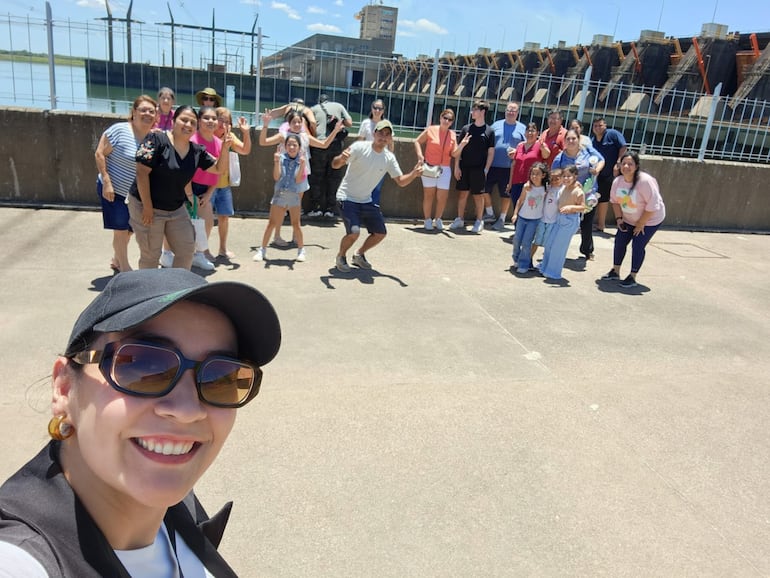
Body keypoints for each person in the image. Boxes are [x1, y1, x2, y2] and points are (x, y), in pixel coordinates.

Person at [0, 267, 281, 576]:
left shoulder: (174, 507)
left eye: (220, 377)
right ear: (64, 387)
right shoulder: (20, 561)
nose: (187, 409)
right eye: (143, 366)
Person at [128, 105, 231, 270]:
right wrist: (147, 207)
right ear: (174, 121)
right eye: (184, 120)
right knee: (150, 256)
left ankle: (177, 290)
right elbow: (141, 172)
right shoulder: (156, 140)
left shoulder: (197, 152)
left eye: (192, 122)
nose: (188, 125)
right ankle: (149, 293)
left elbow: (219, 169)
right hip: (147, 206)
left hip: (175, 208)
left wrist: (225, 148)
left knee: (186, 250)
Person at [331, 120, 422, 272]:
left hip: (365, 200)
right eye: (380, 133)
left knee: (380, 233)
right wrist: (341, 159)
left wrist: (413, 174)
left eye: (387, 134)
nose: (383, 137)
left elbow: (400, 181)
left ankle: (359, 255)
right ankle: (341, 256)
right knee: (354, 232)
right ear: (374, 134)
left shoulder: (389, 158)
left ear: (390, 138)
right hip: (346, 197)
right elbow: (334, 164)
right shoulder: (359, 147)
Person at [94, 94, 157, 273]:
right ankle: (125, 269)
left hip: (134, 195)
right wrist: (106, 181)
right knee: (120, 229)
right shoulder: (119, 130)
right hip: (113, 191)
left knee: (130, 230)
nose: (147, 114)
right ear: (134, 112)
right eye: (143, 110)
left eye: (151, 111)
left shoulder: (152, 138)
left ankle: (116, 258)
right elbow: (100, 154)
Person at [602, 151, 666, 288]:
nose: (626, 166)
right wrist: (619, 219)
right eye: (623, 163)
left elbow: (653, 205)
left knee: (637, 245)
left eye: (630, 164)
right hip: (628, 218)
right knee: (620, 241)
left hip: (650, 220)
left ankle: (632, 276)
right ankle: (615, 271)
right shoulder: (617, 182)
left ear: (636, 166)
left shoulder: (645, 181)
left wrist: (641, 224)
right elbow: (615, 202)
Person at [550, 129, 605, 260]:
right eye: (568, 139)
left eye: (574, 138)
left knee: (587, 223)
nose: (571, 141)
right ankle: (556, 249)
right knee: (563, 222)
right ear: (564, 141)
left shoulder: (587, 150)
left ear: (578, 139)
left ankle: (587, 250)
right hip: (567, 194)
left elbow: (601, 159)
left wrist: (597, 170)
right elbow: (554, 174)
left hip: (588, 193)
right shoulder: (560, 157)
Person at [253, 135, 308, 263]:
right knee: (272, 223)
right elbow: (276, 177)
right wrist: (276, 161)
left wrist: (302, 165)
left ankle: (301, 250)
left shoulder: (301, 161)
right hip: (280, 194)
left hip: (294, 195)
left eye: (295, 145)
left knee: (296, 224)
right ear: (285, 146)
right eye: (289, 144)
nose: (292, 147)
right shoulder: (281, 158)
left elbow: (299, 180)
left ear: (299, 147)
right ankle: (262, 250)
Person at [211, 106, 252, 260]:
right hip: (208, 184)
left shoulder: (230, 137)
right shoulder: (207, 136)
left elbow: (245, 150)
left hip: (224, 184)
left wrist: (246, 132)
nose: (223, 123)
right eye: (220, 119)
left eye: (226, 121)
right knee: (205, 220)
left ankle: (222, 248)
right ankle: (201, 251)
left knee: (224, 217)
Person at [449, 100, 495, 234]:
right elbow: (458, 150)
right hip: (464, 167)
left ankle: (479, 220)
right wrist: (457, 167)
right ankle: (460, 219)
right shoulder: (466, 129)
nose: (472, 112)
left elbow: (491, 152)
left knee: (478, 195)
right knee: (462, 194)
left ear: (482, 112)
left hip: (479, 169)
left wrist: (486, 169)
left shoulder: (489, 131)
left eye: (475, 110)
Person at [308, 94, 353, 219]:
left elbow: (311, 126)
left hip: (319, 145)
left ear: (319, 101)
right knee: (333, 177)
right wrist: (338, 121)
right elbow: (349, 123)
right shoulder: (338, 106)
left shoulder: (313, 109)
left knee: (316, 177)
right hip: (335, 145)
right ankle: (330, 209)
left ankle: (316, 208)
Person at [538, 165, 585, 280]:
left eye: (569, 176)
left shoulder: (578, 191)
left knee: (558, 248)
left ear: (575, 176)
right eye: (564, 176)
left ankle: (553, 272)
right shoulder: (563, 187)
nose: (566, 178)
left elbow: (583, 207)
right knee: (549, 244)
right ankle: (544, 266)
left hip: (569, 220)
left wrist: (571, 207)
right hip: (558, 218)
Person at [413, 108, 457, 231]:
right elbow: (417, 141)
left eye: (450, 119)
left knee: (442, 196)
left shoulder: (452, 135)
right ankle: (427, 219)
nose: (447, 121)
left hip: (445, 168)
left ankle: (438, 219)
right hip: (430, 166)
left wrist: (463, 144)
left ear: (452, 122)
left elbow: (454, 153)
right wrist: (420, 156)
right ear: (440, 118)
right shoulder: (431, 130)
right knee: (429, 195)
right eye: (445, 118)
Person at [486, 102, 526, 230]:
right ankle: (490, 213)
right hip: (492, 164)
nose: (511, 112)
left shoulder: (522, 128)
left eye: (514, 110)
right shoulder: (496, 125)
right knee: (483, 190)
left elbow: (527, 146)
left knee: (505, 194)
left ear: (517, 112)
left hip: (510, 167)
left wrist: (517, 152)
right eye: (509, 110)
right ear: (505, 111)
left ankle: (502, 219)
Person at [505, 122, 549, 227]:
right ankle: (518, 231)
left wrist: (543, 147)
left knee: (529, 208)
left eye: (533, 130)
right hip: (516, 181)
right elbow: (514, 165)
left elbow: (546, 155)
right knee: (517, 205)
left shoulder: (540, 145)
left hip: (532, 183)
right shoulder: (520, 146)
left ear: (537, 133)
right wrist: (510, 183)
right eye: (528, 130)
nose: (530, 133)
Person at [591, 117, 628, 232]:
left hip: (615, 174)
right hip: (600, 175)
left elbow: (623, 147)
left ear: (605, 126)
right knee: (602, 199)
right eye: (595, 126)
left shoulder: (613, 134)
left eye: (600, 125)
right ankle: (601, 224)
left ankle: (626, 223)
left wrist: (618, 163)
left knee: (621, 199)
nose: (598, 128)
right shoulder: (593, 141)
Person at [511, 162, 548, 274]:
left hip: (535, 219)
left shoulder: (546, 188)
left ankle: (523, 264)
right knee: (517, 240)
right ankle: (516, 257)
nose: (534, 176)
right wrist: (515, 214)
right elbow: (520, 200)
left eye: (537, 174)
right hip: (522, 217)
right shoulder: (527, 187)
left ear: (543, 175)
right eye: (532, 174)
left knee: (527, 242)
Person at [531, 167, 563, 264]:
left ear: (562, 178)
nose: (554, 181)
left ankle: (545, 263)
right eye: (552, 179)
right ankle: (528, 259)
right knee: (536, 241)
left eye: (557, 179)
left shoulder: (563, 191)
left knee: (549, 244)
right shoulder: (547, 188)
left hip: (553, 222)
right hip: (542, 219)